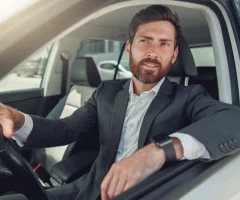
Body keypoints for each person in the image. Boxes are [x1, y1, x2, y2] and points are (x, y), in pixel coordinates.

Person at [0, 4, 240, 200]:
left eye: (164, 44)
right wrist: (18, 120)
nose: (153, 52)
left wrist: (157, 152)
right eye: (145, 40)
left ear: (174, 54)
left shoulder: (188, 97)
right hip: (90, 188)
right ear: (129, 48)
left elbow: (234, 120)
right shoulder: (107, 92)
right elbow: (66, 129)